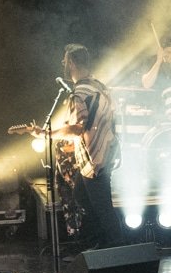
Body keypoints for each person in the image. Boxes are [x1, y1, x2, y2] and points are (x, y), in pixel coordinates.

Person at [52, 44, 125, 250]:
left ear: (71, 63)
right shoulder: (99, 86)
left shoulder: (80, 92)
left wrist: (47, 133)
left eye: (65, 61)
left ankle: (118, 249)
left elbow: (77, 128)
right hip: (106, 151)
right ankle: (98, 243)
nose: (63, 64)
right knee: (81, 195)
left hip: (94, 159)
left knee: (103, 207)